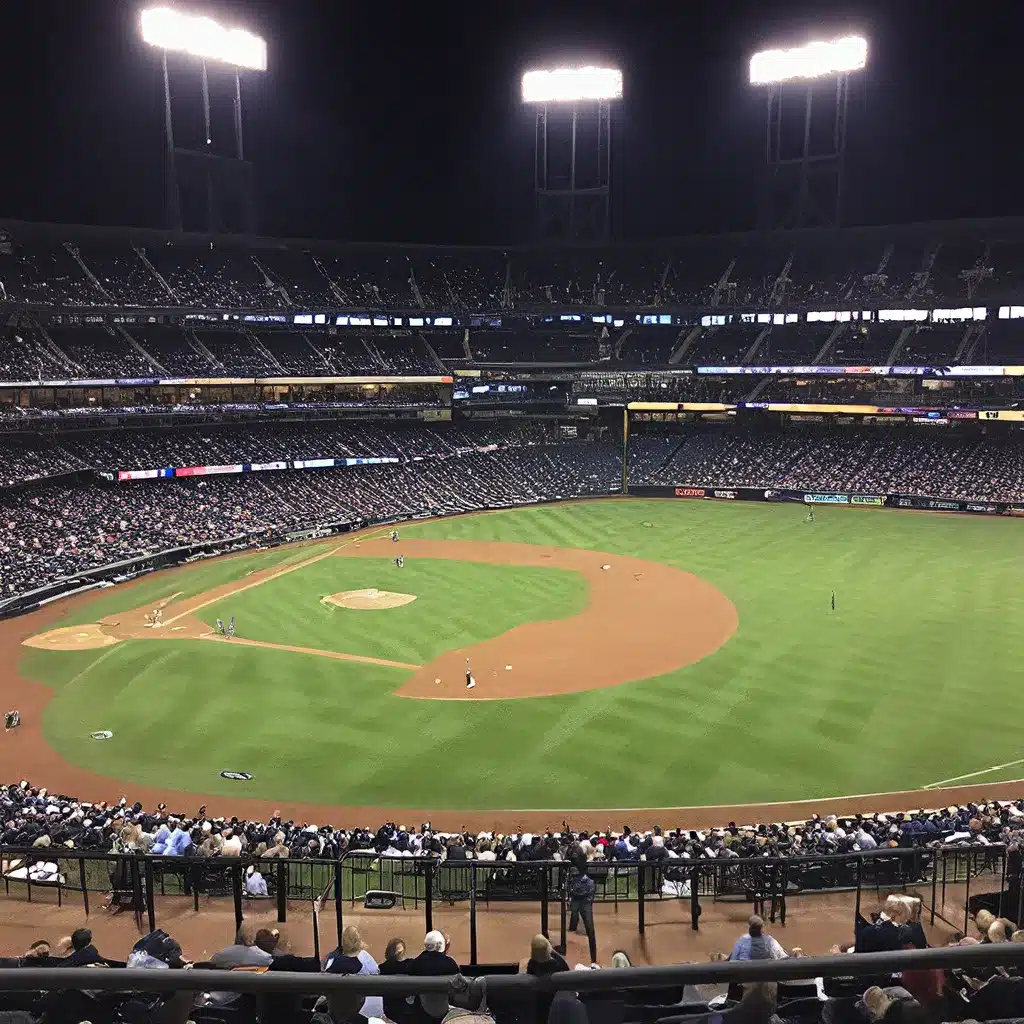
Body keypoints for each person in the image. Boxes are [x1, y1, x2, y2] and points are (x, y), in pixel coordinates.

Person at [406, 931, 459, 1024]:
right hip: (444, 1014)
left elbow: (409, 997)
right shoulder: (450, 964)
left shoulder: (415, 963)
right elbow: (459, 990)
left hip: (420, 1015)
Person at [524, 934, 568, 1023]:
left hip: (539, 1003)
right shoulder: (559, 964)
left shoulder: (532, 964)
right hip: (557, 1001)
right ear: (548, 947)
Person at [568, 850, 598, 966]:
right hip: (583, 901)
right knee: (590, 931)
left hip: (581, 900)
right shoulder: (587, 881)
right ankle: (593, 961)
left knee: (588, 930)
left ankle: (593, 961)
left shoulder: (579, 879)